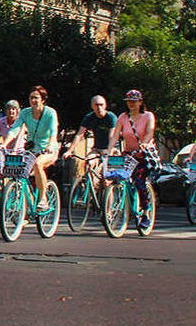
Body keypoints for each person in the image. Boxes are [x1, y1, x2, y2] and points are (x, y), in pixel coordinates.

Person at [6, 86, 60, 212]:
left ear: (43, 99)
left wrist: (50, 145)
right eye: (31, 98)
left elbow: (53, 131)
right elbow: (15, 129)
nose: (33, 100)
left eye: (36, 98)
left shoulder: (50, 113)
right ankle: (27, 210)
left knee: (38, 164)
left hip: (48, 150)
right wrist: (4, 144)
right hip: (31, 150)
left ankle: (43, 199)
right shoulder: (25, 112)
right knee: (19, 173)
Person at [114, 89, 157, 230]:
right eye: (129, 101)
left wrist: (144, 144)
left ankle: (145, 212)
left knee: (139, 180)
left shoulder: (148, 116)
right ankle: (116, 208)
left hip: (144, 155)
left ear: (140, 102)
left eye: (134, 101)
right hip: (129, 154)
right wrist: (109, 150)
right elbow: (115, 135)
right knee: (118, 177)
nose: (131, 104)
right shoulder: (123, 117)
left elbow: (150, 132)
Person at [61, 95, 116, 182]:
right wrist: (69, 151)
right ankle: (90, 189)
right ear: (92, 106)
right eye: (96, 105)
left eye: (101, 105)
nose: (99, 107)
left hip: (110, 149)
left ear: (105, 105)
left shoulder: (110, 117)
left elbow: (112, 136)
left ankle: (108, 191)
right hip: (96, 149)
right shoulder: (89, 117)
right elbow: (79, 134)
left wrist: (109, 151)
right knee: (88, 164)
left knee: (108, 178)